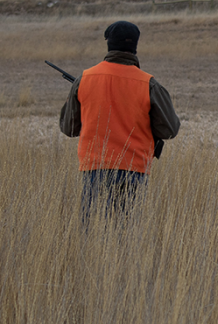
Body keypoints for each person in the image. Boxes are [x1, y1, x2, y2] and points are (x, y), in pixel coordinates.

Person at [59, 20, 181, 217]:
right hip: (133, 169)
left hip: (94, 168)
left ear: (108, 43)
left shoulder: (85, 79)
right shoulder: (149, 84)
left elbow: (68, 128)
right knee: (126, 237)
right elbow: (170, 129)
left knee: (94, 234)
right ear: (135, 46)